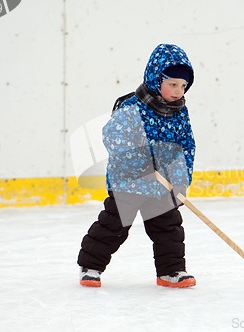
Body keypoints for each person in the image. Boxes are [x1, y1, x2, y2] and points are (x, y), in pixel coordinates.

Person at [77, 44, 196, 288]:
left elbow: (185, 147)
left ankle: (171, 271)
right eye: (172, 84)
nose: (178, 91)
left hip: (162, 185)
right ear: (156, 79)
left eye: (183, 85)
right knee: (114, 226)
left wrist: (181, 179)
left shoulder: (180, 113)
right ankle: (91, 265)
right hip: (129, 181)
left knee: (168, 227)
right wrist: (139, 162)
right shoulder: (132, 106)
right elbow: (114, 136)